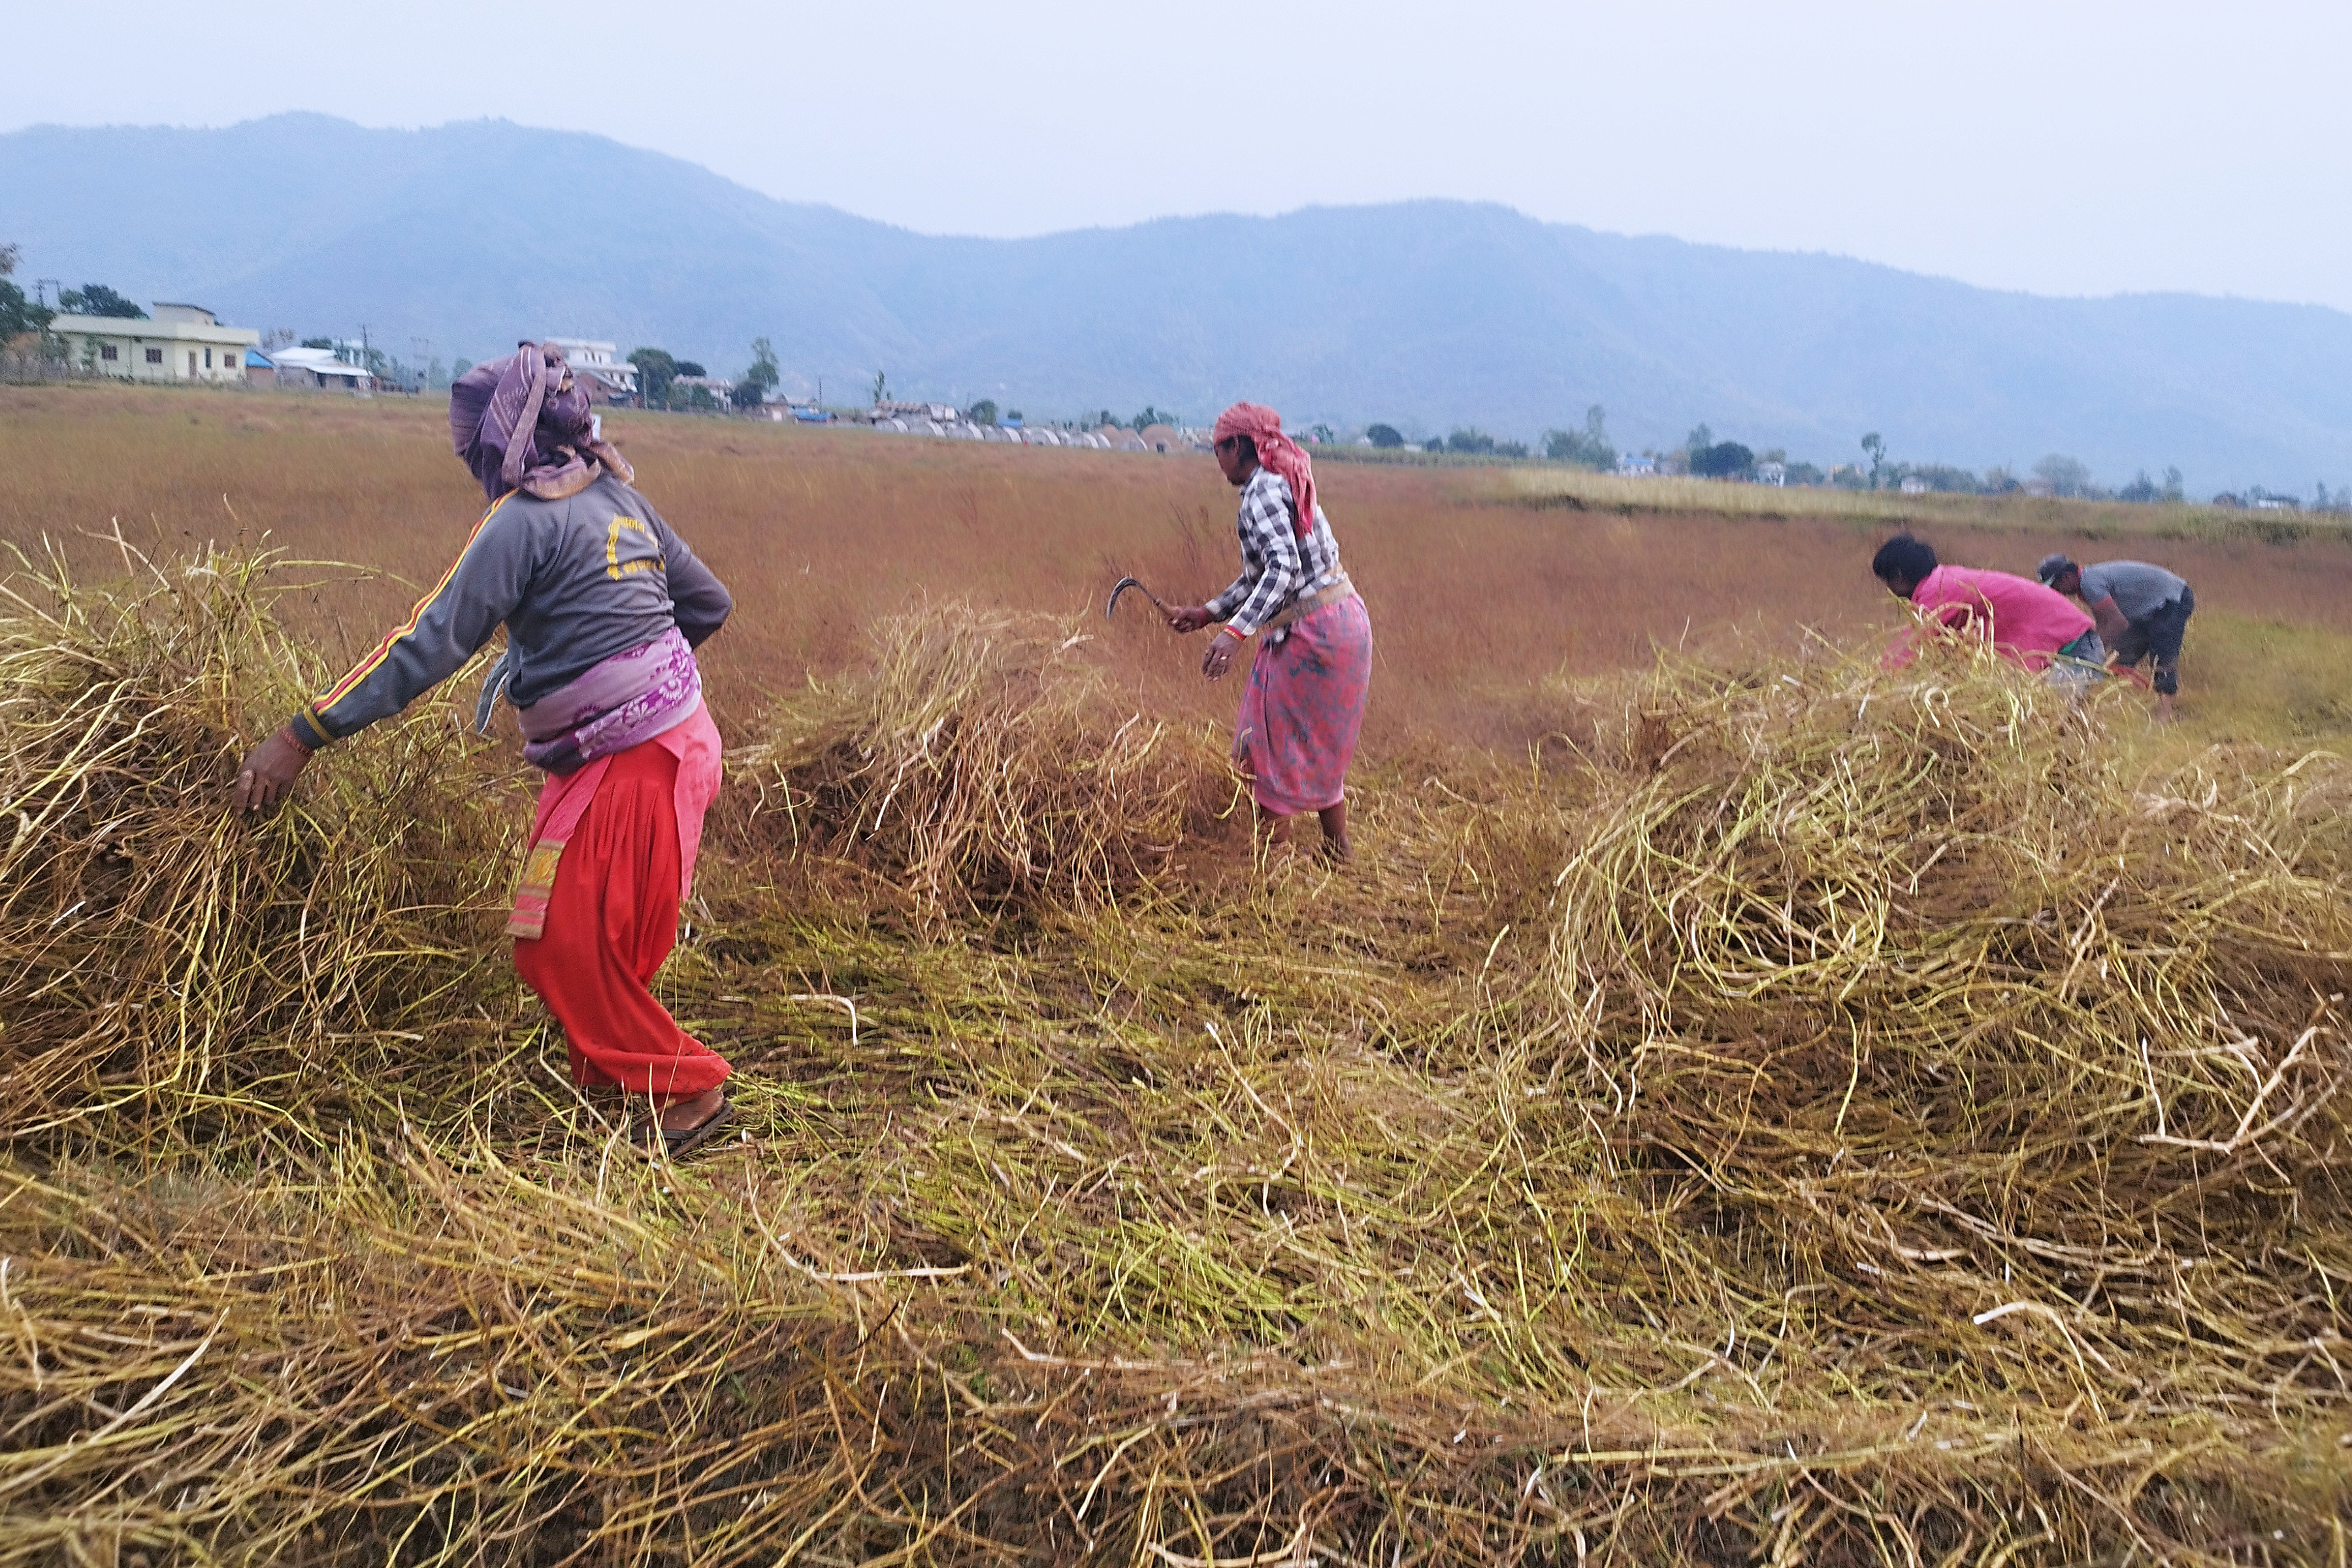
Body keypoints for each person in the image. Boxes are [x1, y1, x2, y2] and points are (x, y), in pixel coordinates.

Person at [233, 344, 740, 1159]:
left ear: (495, 442)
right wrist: (606, 663)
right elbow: (707, 603)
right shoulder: (617, 495)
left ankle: (689, 1090)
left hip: (635, 763)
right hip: (672, 744)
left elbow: (426, 645)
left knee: (558, 941)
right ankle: (622, 1073)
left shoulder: (520, 521)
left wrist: (302, 735)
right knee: (590, 927)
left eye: (469, 447)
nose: (470, 461)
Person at [1167, 402, 1373, 860]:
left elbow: (1281, 570)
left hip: (1312, 633)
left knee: (1261, 743)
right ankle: (1339, 851)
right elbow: (1260, 576)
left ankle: (1273, 863)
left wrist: (1234, 634)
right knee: (1320, 740)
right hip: (1346, 624)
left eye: (1219, 449)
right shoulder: (1283, 482)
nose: (1217, 460)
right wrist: (1207, 613)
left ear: (1239, 446)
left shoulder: (1262, 493)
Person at [1870, 534, 2104, 681]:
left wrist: (1874, 681)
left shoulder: (1941, 588)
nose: (1890, 591)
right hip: (2068, 648)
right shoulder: (1945, 581)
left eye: (1887, 582)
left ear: (1899, 576)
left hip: (2075, 651)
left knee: (2050, 727)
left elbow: (1912, 644)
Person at [2037, 554, 2193, 721]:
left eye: (2056, 585)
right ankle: (2088, 708)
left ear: (2067, 577)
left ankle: (2164, 716)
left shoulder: (2090, 583)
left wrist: (2090, 650)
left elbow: (2117, 623)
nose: (2056, 592)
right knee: (2121, 660)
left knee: (2163, 659)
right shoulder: (2087, 584)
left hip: (2171, 601)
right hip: (2146, 611)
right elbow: (2105, 622)